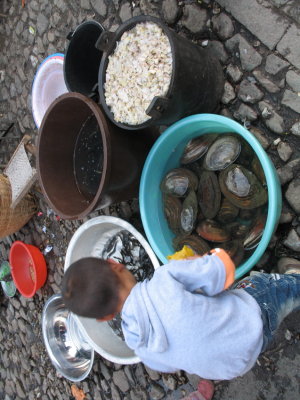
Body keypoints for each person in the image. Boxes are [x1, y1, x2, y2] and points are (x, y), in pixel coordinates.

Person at [61, 249, 300, 381]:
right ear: (115, 264)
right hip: (252, 318)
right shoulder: (165, 278)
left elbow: (172, 362)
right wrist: (204, 259)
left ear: (105, 318)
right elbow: (224, 270)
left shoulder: (139, 346)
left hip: (235, 365)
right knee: (266, 286)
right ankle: (293, 281)